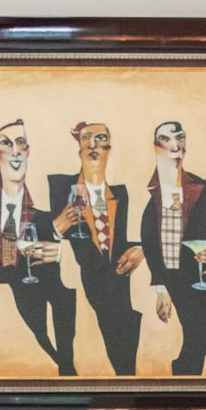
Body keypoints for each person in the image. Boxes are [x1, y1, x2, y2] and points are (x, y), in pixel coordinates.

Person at [0, 117, 79, 373]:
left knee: (62, 299)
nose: (15, 150)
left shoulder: (45, 204)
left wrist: (56, 235)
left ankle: (66, 367)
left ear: (28, 151)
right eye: (7, 144)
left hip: (37, 289)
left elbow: (79, 250)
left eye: (20, 143)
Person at [137, 120, 206, 377]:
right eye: (166, 139)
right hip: (173, 276)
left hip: (202, 275)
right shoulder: (150, 195)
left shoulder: (201, 188)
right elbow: (150, 240)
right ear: (155, 147)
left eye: (180, 137)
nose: (175, 145)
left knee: (203, 331)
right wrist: (162, 286)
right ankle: (184, 377)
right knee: (197, 334)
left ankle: (185, 379)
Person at [48, 121, 144, 375]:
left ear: (109, 147)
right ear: (79, 148)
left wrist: (142, 249)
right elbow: (34, 232)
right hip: (78, 297)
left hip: (120, 298)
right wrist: (56, 228)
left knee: (125, 363)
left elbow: (138, 236)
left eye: (100, 138)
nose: (93, 144)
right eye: (86, 138)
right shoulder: (58, 187)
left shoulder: (123, 195)